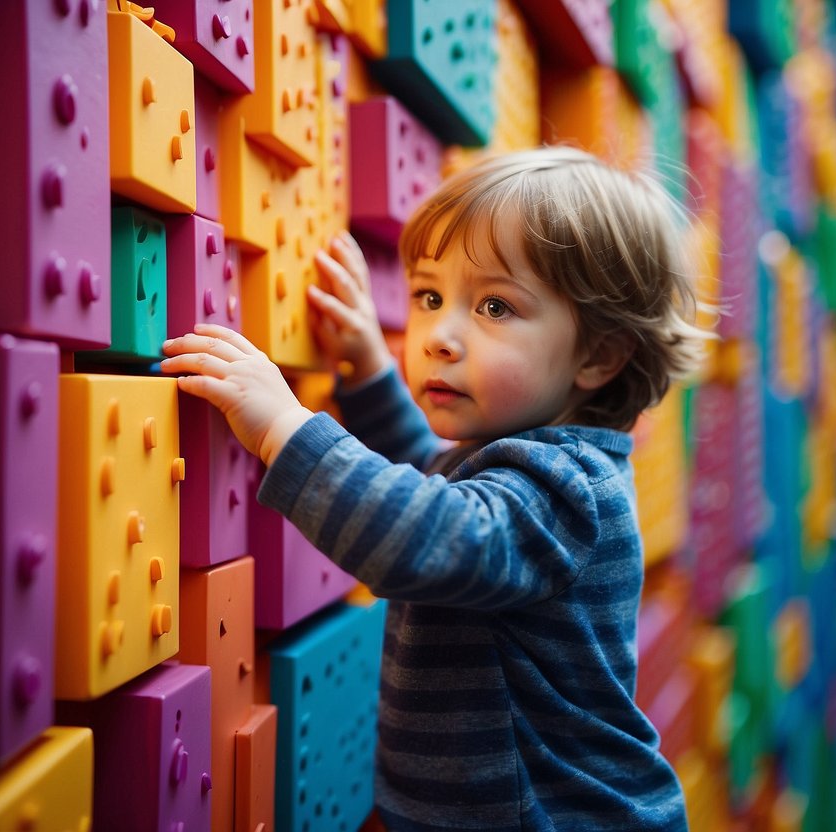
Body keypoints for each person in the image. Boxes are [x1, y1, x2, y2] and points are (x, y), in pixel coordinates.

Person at [160, 146, 709, 830]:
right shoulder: (519, 464)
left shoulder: (569, 490)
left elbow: (430, 539)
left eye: (494, 307)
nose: (439, 337)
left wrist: (285, 428)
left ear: (598, 355)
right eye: (428, 296)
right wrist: (364, 371)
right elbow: (430, 472)